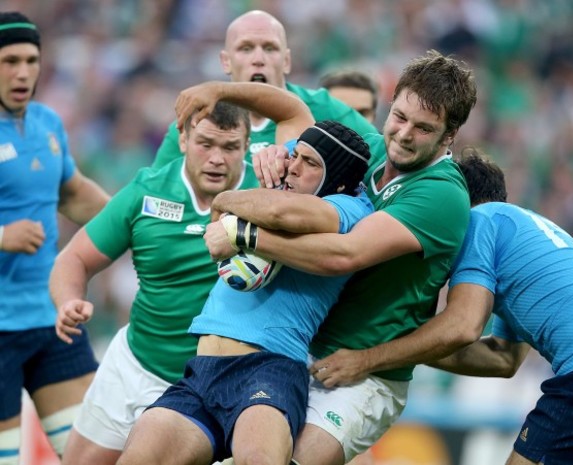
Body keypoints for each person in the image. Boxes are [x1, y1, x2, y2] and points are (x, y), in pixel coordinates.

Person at [174, 49, 477, 465]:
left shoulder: (441, 193)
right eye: (399, 117)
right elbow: (295, 112)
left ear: (449, 136)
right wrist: (222, 94)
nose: (404, 134)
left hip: (364, 374)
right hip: (299, 355)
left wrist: (245, 235)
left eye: (423, 128)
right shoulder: (370, 151)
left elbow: (343, 255)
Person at [309, 148, 573, 465]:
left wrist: (366, 357)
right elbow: (503, 358)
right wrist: (395, 341)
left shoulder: (479, 221)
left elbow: (462, 327)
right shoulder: (524, 233)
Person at [116, 119, 374, 465]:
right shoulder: (277, 192)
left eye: (310, 163)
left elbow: (277, 212)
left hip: (269, 368)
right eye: (295, 156)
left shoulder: (353, 209)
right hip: (202, 370)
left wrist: (229, 209)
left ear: (339, 181)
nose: (294, 168)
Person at [49, 98, 268, 465]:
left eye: (230, 147)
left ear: (247, 147)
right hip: (134, 365)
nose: (217, 158)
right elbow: (73, 258)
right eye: (206, 144)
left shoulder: (268, 199)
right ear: (182, 140)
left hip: (206, 387)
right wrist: (69, 300)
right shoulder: (146, 191)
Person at [0, 12, 110, 464]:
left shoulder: (47, 123)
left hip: (51, 320)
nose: (22, 72)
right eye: (9, 61)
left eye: (31, 60)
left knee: (93, 456)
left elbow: (74, 193)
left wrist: (134, 221)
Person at [152, 9, 377, 169]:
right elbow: (151, 191)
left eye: (270, 48)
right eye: (246, 48)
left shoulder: (324, 109)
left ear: (286, 61)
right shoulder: (197, 121)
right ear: (226, 61)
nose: (258, 59)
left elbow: (383, 160)